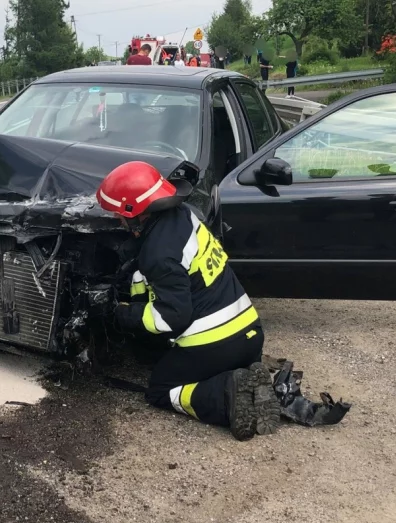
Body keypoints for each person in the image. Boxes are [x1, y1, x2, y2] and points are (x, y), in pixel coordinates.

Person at [97, 161, 280, 441]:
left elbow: (172, 318)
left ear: (137, 213)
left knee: (159, 390)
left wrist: (123, 314)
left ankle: (226, 396)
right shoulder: (184, 215)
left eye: (120, 215)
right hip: (249, 334)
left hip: (215, 344)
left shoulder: (158, 255)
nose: (118, 221)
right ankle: (248, 375)